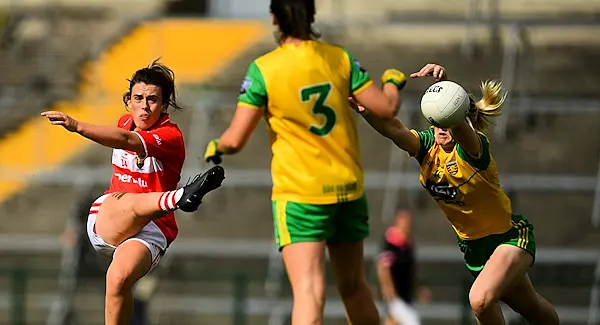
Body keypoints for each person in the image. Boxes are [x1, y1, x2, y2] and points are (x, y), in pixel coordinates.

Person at [202, 1, 406, 323]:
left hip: (301, 195)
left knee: (309, 290)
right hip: (348, 190)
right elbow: (385, 109)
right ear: (312, 15)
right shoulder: (339, 58)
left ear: (274, 17)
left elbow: (235, 140)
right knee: (354, 286)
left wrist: (216, 145)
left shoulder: (264, 69)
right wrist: (393, 81)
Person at [352, 63, 559, 325]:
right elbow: (395, 129)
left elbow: (455, 117)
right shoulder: (427, 147)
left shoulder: (473, 149)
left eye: (445, 120)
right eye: (434, 121)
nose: (439, 126)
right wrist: (367, 112)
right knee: (531, 307)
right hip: (475, 250)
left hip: (508, 238)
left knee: (480, 300)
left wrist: (446, 85)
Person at [41, 59, 225, 325]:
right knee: (129, 201)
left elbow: (129, 141)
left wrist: (77, 125)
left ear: (164, 105)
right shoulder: (124, 122)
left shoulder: (170, 136)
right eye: (138, 98)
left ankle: (178, 197)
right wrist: (77, 125)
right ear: (128, 101)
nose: (144, 106)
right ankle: (179, 197)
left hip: (153, 229)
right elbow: (124, 136)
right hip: (109, 218)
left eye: (152, 100)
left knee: (118, 279)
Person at [377, 208, 431, 325]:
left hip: (406, 298)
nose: (408, 225)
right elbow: (383, 270)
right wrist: (391, 298)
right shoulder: (390, 243)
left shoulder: (407, 244)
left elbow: (410, 271)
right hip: (395, 299)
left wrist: (419, 288)